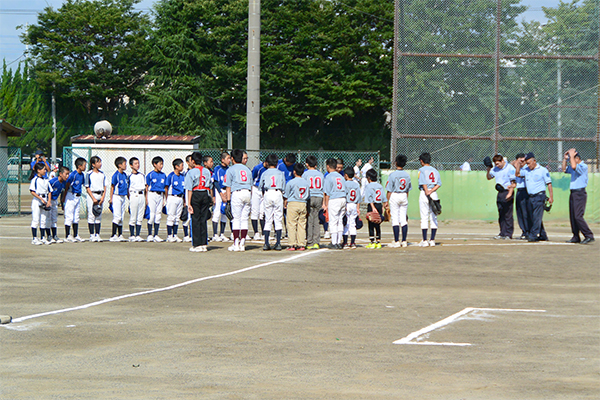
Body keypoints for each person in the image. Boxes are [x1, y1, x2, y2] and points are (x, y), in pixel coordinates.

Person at [515, 152, 553, 242]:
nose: (527, 165)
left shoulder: (542, 170)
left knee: (536, 216)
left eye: (528, 163)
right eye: (526, 163)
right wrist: (518, 165)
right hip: (530, 197)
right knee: (532, 216)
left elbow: (549, 184)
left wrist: (551, 197)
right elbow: (517, 174)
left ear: (534, 161)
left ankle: (534, 235)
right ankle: (543, 234)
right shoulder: (527, 170)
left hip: (539, 196)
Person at [562, 148, 594, 244]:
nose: (570, 160)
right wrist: (564, 159)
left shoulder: (583, 166)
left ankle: (588, 235)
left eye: (572, 158)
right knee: (572, 216)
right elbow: (564, 169)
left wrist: (571, 156)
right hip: (573, 193)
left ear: (577, 158)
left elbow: (574, 166)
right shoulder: (573, 167)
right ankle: (576, 236)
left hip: (580, 193)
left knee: (578, 216)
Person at [224, 149, 253, 252]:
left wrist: (228, 200)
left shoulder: (231, 169)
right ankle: (243, 243)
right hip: (247, 192)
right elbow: (251, 185)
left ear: (232, 159)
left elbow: (228, 186)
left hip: (237, 192)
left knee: (236, 219)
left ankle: (236, 243)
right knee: (244, 219)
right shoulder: (247, 169)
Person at [185, 152, 214, 252]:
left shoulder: (191, 172)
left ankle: (197, 244)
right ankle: (203, 243)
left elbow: (189, 188)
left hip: (196, 193)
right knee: (203, 219)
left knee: (196, 219)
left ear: (193, 161)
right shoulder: (207, 171)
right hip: (205, 194)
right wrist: (211, 197)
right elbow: (210, 185)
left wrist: (188, 203)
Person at [486, 154, 516, 239]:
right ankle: (502, 233)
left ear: (503, 161)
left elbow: (513, 183)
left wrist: (510, 193)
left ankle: (508, 234)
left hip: (507, 191)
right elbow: (489, 177)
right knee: (501, 213)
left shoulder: (510, 168)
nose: (497, 165)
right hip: (500, 192)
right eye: (496, 164)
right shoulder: (495, 169)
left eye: (498, 163)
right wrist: (488, 168)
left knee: (508, 214)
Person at [259, 154, 286, 251]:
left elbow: (260, 186)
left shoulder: (265, 173)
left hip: (268, 193)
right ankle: (278, 243)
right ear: (276, 163)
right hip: (277, 193)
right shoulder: (280, 173)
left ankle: (266, 243)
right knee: (278, 218)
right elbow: (284, 187)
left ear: (267, 163)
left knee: (268, 219)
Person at [386, 154, 411, 248]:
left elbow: (389, 189)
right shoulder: (407, 175)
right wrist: (405, 198)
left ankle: (397, 241)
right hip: (404, 195)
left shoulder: (393, 175)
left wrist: (386, 201)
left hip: (395, 195)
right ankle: (404, 241)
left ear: (396, 163)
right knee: (403, 219)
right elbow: (408, 189)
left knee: (395, 219)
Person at [284, 163, 309, 251]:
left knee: (291, 224)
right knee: (302, 224)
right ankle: (301, 244)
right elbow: (308, 195)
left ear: (294, 172)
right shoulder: (306, 182)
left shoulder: (291, 182)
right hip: (303, 203)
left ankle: (291, 244)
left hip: (293, 202)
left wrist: (285, 203)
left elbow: (286, 195)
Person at [417, 152, 441, 247]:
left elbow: (423, 182)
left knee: (424, 217)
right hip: (433, 193)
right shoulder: (435, 170)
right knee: (433, 217)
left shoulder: (421, 170)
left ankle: (425, 240)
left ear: (422, 161)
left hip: (424, 193)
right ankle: (432, 240)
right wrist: (431, 191)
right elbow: (438, 183)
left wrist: (427, 191)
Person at [323, 157, 346, 249]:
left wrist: (326, 205)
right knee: (340, 220)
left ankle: (334, 242)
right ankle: (338, 241)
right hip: (343, 198)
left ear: (328, 166)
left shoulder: (328, 176)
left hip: (334, 199)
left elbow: (327, 193)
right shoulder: (341, 176)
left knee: (333, 221)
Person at [303, 155, 325, 249]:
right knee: (316, 219)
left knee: (309, 219)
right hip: (319, 196)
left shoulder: (305, 174)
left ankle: (310, 241)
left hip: (309, 196)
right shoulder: (320, 174)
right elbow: (324, 189)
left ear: (307, 164)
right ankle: (316, 241)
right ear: (316, 164)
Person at [85, 156, 108, 242]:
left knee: (98, 215)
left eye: (100, 162)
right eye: (98, 162)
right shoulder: (89, 174)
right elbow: (87, 187)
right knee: (91, 215)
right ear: (93, 164)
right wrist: (93, 198)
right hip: (92, 195)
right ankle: (92, 235)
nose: (100, 164)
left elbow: (105, 186)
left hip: (100, 194)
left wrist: (103, 197)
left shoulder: (102, 174)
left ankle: (97, 234)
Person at [63, 157, 87, 242]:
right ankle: (67, 235)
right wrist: (64, 198)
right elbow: (67, 185)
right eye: (84, 165)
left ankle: (76, 234)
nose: (85, 167)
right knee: (69, 215)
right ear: (79, 166)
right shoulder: (73, 175)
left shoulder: (82, 175)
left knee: (76, 216)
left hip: (77, 196)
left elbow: (84, 184)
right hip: (71, 195)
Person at [29, 162, 52, 245]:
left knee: (43, 220)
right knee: (36, 219)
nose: (45, 171)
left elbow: (49, 191)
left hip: (45, 199)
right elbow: (32, 191)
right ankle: (34, 238)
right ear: (38, 170)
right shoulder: (35, 180)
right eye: (44, 169)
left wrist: (48, 201)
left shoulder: (46, 180)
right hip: (37, 200)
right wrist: (41, 199)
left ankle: (43, 237)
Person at [146, 156, 167, 242]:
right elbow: (147, 187)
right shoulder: (150, 175)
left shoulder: (163, 175)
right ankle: (150, 234)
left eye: (162, 164)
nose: (161, 166)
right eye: (160, 164)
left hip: (160, 195)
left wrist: (165, 198)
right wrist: (146, 198)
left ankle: (156, 235)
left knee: (158, 214)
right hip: (152, 194)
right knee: (151, 214)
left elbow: (165, 187)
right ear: (155, 164)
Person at [165, 158, 186, 243]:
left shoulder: (182, 176)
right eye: (181, 165)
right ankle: (169, 235)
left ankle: (175, 234)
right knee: (171, 216)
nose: (183, 167)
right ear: (176, 166)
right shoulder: (171, 176)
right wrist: (167, 198)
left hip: (180, 197)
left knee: (177, 217)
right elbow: (166, 187)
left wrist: (184, 200)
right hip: (172, 197)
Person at [211, 152, 231, 242]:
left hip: (226, 191)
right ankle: (215, 234)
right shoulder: (217, 169)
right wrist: (221, 194)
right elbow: (216, 182)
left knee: (224, 213)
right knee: (217, 211)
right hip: (219, 190)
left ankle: (222, 233)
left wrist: (227, 193)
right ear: (222, 160)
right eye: (227, 158)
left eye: (230, 158)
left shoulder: (229, 169)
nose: (229, 160)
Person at [364, 169, 385, 249]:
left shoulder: (368, 186)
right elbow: (383, 197)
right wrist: (383, 206)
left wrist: (373, 207)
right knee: (378, 223)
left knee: (371, 223)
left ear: (369, 178)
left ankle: (372, 241)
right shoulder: (379, 185)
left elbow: (369, 198)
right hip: (379, 204)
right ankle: (378, 241)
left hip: (372, 205)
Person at [109, 156, 129, 242]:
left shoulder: (125, 175)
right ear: (119, 165)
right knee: (117, 216)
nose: (126, 166)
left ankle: (120, 234)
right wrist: (111, 198)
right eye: (124, 164)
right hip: (117, 196)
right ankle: (113, 235)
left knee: (121, 216)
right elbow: (112, 187)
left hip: (123, 196)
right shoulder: (116, 175)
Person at [48, 166, 69, 243]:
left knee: (54, 218)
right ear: (60, 174)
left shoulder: (63, 182)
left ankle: (54, 235)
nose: (67, 176)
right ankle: (48, 236)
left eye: (68, 174)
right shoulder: (53, 181)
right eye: (66, 174)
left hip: (54, 201)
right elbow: (47, 190)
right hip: (49, 201)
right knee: (47, 218)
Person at [127, 157, 146, 242]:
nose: (137, 165)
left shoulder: (142, 175)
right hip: (134, 195)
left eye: (138, 163)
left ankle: (138, 234)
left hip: (141, 195)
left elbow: (145, 186)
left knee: (140, 216)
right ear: (131, 165)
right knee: (133, 216)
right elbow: (128, 188)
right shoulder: (129, 176)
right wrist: (130, 197)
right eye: (135, 163)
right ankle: (132, 235)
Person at [342, 167, 361, 249]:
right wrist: (358, 208)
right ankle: (353, 242)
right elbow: (359, 197)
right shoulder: (356, 184)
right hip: (354, 204)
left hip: (347, 204)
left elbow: (344, 195)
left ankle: (345, 242)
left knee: (346, 224)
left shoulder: (345, 184)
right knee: (353, 223)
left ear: (346, 175)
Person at [511, 153, 529, 240]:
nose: (522, 162)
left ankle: (527, 231)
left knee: (525, 213)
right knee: (520, 213)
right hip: (519, 190)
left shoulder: (527, 168)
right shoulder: (514, 167)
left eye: (523, 160)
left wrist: (518, 166)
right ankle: (523, 231)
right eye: (520, 160)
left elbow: (518, 174)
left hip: (526, 190)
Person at [250, 159, 267, 240]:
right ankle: (256, 232)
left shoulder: (269, 169)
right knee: (255, 211)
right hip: (256, 188)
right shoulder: (258, 168)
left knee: (262, 212)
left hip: (264, 190)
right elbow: (252, 178)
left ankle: (264, 233)